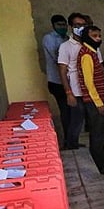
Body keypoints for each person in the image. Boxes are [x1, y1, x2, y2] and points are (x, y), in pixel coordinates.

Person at [76, 26, 104, 174]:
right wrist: (99, 104)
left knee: (101, 131)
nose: (98, 39)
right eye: (95, 36)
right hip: (94, 102)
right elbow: (89, 83)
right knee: (98, 133)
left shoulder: (92, 52)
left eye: (99, 36)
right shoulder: (86, 55)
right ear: (87, 37)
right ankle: (100, 165)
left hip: (98, 99)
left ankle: (102, 158)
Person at [57, 12, 90, 150]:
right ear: (71, 27)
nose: (80, 28)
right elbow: (62, 71)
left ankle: (79, 144)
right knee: (77, 119)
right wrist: (68, 92)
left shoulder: (90, 43)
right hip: (75, 89)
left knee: (92, 119)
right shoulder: (66, 46)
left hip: (90, 89)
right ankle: (71, 144)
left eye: (83, 25)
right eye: (77, 25)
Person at [42, 14, 70, 148]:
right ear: (53, 25)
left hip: (67, 80)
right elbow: (58, 58)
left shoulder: (67, 38)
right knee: (64, 110)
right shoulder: (49, 38)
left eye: (64, 25)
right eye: (59, 25)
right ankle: (66, 141)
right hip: (56, 81)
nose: (62, 27)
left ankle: (70, 139)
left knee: (70, 111)